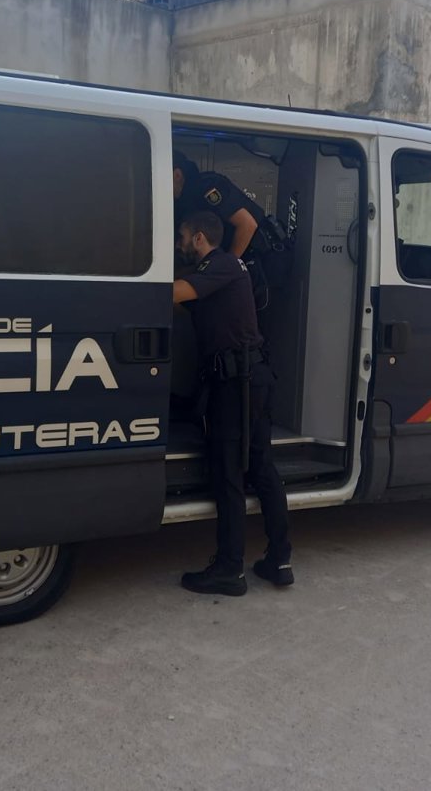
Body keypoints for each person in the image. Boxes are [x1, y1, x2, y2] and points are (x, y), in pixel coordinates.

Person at [173, 210, 293, 596]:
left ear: (199, 239)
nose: (178, 244)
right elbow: (187, 303)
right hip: (249, 378)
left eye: (181, 236)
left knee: (229, 473)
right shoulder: (220, 271)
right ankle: (279, 560)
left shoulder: (221, 264)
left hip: (236, 384)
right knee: (261, 467)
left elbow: (174, 294)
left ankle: (229, 569)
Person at [172, 151, 291, 310]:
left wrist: (223, 272)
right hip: (237, 265)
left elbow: (247, 225)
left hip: (260, 262)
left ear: (177, 175)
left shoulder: (206, 186)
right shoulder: (184, 201)